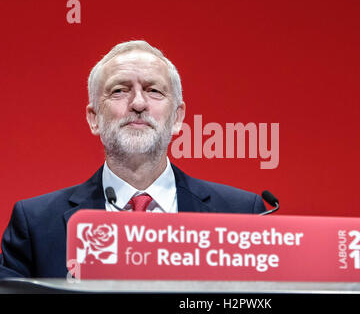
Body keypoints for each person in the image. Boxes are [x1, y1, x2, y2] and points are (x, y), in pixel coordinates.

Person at [0, 40, 266, 278]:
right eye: (119, 91)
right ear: (94, 118)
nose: (138, 103)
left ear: (177, 118)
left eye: (154, 91)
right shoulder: (35, 224)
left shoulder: (242, 215)